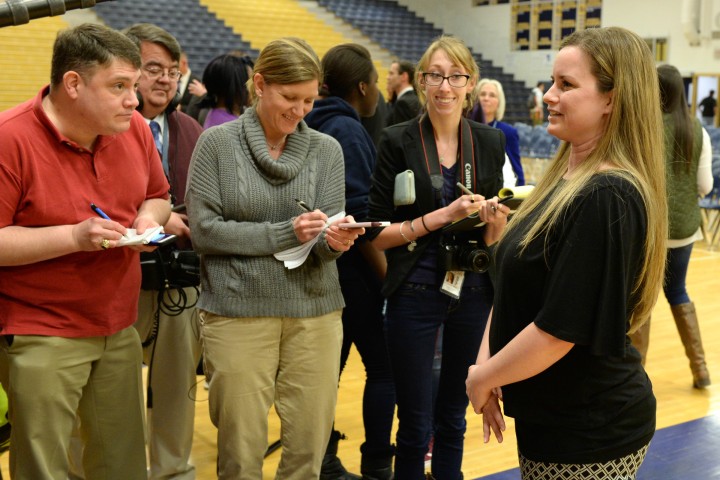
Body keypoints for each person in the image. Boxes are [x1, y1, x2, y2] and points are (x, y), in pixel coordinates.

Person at [466, 26, 667, 479]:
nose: (549, 96)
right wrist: (488, 368)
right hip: (551, 416)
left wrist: (485, 378)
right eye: (552, 82)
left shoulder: (607, 196)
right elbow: (512, 289)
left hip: (589, 428)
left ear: (612, 99)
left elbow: (559, 330)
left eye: (567, 85)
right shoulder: (564, 180)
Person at [185, 37, 362, 479]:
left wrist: (334, 242)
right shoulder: (216, 145)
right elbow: (204, 232)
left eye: (308, 99)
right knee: (241, 450)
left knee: (309, 445)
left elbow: (321, 244)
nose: (300, 110)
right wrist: (284, 232)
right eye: (290, 97)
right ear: (259, 84)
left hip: (316, 313)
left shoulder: (327, 150)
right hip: (237, 313)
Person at [0, 23, 171, 479]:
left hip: (119, 323)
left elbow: (158, 194)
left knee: (122, 464)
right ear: (73, 84)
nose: (135, 100)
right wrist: (74, 237)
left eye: (133, 86)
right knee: (45, 468)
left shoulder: (132, 128)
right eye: (119, 86)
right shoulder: (10, 138)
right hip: (42, 329)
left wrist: (147, 220)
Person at [365, 35, 506, 479]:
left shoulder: (488, 141)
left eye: (456, 77)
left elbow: (493, 238)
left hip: (473, 291)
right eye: (436, 76)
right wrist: (440, 215)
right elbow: (377, 235)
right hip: (414, 291)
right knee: (414, 424)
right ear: (422, 81)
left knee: (453, 418)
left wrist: (496, 228)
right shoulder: (396, 140)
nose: (445, 87)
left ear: (470, 83)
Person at [305, 43, 396, 480]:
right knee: (383, 367)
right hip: (352, 268)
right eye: (375, 82)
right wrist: (386, 278)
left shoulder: (312, 120)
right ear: (363, 86)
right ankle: (378, 464)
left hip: (316, 267)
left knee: (328, 371)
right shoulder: (348, 129)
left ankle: (320, 460)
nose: (378, 91)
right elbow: (358, 215)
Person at [124, 23, 205, 480]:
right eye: (152, 68)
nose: (164, 80)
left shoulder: (189, 127)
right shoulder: (109, 124)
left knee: (176, 387)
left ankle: (174, 471)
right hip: (119, 274)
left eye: (172, 71)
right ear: (128, 69)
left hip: (181, 278)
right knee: (114, 390)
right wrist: (153, 217)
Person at [630, 64, 713, 389]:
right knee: (677, 291)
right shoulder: (696, 128)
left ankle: (637, 378)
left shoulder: (642, 126)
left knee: (643, 299)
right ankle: (701, 370)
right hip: (684, 229)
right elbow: (705, 186)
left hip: (649, 229)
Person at [477, 78, 525, 186]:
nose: (486, 98)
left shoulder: (508, 132)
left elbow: (518, 173)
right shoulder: (465, 128)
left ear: (499, 102)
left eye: (492, 95)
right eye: (482, 94)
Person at [198, 53, 253, 128]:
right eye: (249, 83)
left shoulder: (212, 113)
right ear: (235, 87)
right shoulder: (230, 127)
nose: (254, 89)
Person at [386, 60, 422, 126]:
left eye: (391, 73)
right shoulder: (416, 98)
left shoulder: (403, 103)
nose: (387, 77)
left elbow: (400, 134)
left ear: (404, 76)